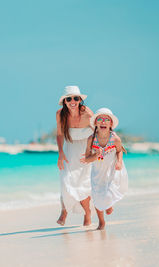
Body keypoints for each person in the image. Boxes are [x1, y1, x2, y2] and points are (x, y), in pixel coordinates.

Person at [80, 108, 128, 230]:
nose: (103, 122)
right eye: (100, 119)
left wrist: (119, 162)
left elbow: (119, 150)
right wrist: (95, 155)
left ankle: (109, 203)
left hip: (111, 169)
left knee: (108, 192)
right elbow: (87, 158)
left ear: (111, 124)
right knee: (96, 196)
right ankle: (101, 222)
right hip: (97, 171)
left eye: (107, 119)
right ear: (95, 123)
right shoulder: (91, 139)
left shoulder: (115, 139)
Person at [56, 86, 94, 226]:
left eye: (76, 98)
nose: (73, 101)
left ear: (80, 100)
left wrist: (92, 152)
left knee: (83, 183)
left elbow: (97, 132)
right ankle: (64, 211)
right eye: (69, 98)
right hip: (69, 149)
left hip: (85, 150)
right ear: (64, 101)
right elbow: (60, 134)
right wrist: (60, 152)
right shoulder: (60, 114)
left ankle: (87, 213)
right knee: (66, 181)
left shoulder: (88, 114)